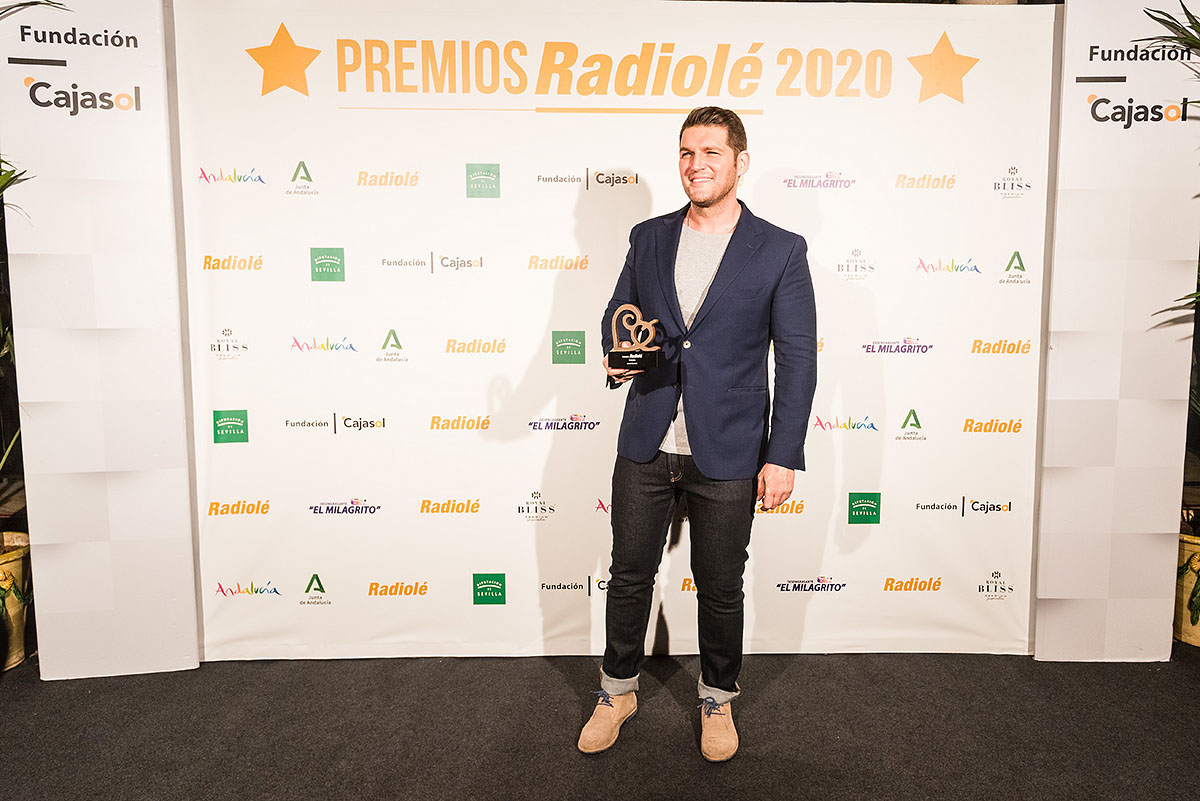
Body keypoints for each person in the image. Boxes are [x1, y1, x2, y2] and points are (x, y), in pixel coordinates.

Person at [578, 107, 817, 762]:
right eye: (687, 152)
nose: (696, 164)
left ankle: (717, 697)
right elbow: (619, 314)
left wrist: (783, 454)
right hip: (648, 439)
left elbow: (797, 358)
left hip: (732, 446)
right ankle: (616, 691)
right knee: (629, 574)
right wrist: (619, 356)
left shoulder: (780, 249)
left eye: (711, 152)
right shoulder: (649, 237)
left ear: (740, 161)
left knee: (720, 584)